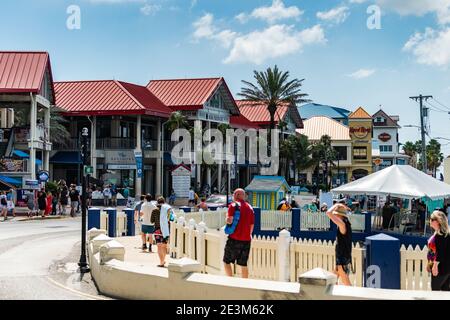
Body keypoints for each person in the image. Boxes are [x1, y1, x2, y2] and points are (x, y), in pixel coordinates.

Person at [223, 188, 255, 279]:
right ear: (243, 196)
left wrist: (227, 219)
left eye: (233, 194)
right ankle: (244, 284)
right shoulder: (250, 207)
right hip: (246, 240)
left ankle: (231, 281)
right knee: (243, 264)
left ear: (236, 195)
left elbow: (229, 221)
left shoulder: (233, 205)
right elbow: (252, 225)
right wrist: (247, 235)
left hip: (234, 238)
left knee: (226, 261)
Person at [326, 201, 353, 286]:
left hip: (342, 258)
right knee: (333, 281)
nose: (335, 217)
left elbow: (328, 213)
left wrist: (336, 205)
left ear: (339, 215)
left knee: (347, 284)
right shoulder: (345, 224)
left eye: (336, 215)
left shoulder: (342, 224)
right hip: (342, 257)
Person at [427, 210, 450, 291]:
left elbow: (440, 252)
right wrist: (430, 264)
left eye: (432, 219)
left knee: (435, 291)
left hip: (441, 268)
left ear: (438, 221)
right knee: (445, 291)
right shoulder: (443, 233)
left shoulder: (441, 234)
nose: (430, 220)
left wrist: (435, 266)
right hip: (446, 268)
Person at [151, 197, 171, 267]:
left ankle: (161, 262)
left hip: (157, 230)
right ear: (164, 202)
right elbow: (171, 218)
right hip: (165, 230)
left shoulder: (154, 210)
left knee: (159, 246)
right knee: (164, 246)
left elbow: (152, 221)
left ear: (157, 202)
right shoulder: (167, 210)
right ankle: (163, 260)